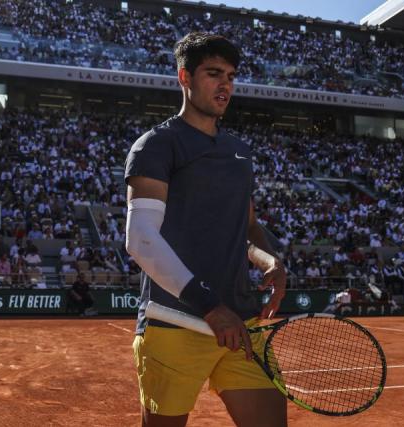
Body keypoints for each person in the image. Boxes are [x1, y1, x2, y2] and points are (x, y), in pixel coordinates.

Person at [124, 32, 287, 427]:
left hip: (242, 323)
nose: (225, 84)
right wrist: (211, 308)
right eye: (214, 73)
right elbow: (141, 238)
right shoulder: (156, 145)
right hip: (176, 322)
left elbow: (246, 227)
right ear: (185, 76)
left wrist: (270, 261)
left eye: (230, 76)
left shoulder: (240, 152)